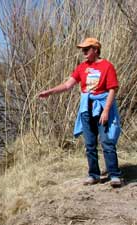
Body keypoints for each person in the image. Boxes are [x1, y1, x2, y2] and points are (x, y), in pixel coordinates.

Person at [38, 37, 122, 188]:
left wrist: (106, 111)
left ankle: (115, 175)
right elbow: (67, 85)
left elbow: (112, 89)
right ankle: (94, 175)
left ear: (95, 50)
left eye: (86, 49)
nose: (83, 52)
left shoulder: (107, 66)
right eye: (82, 49)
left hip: (102, 108)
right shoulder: (82, 67)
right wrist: (49, 92)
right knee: (90, 144)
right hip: (86, 109)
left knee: (107, 142)